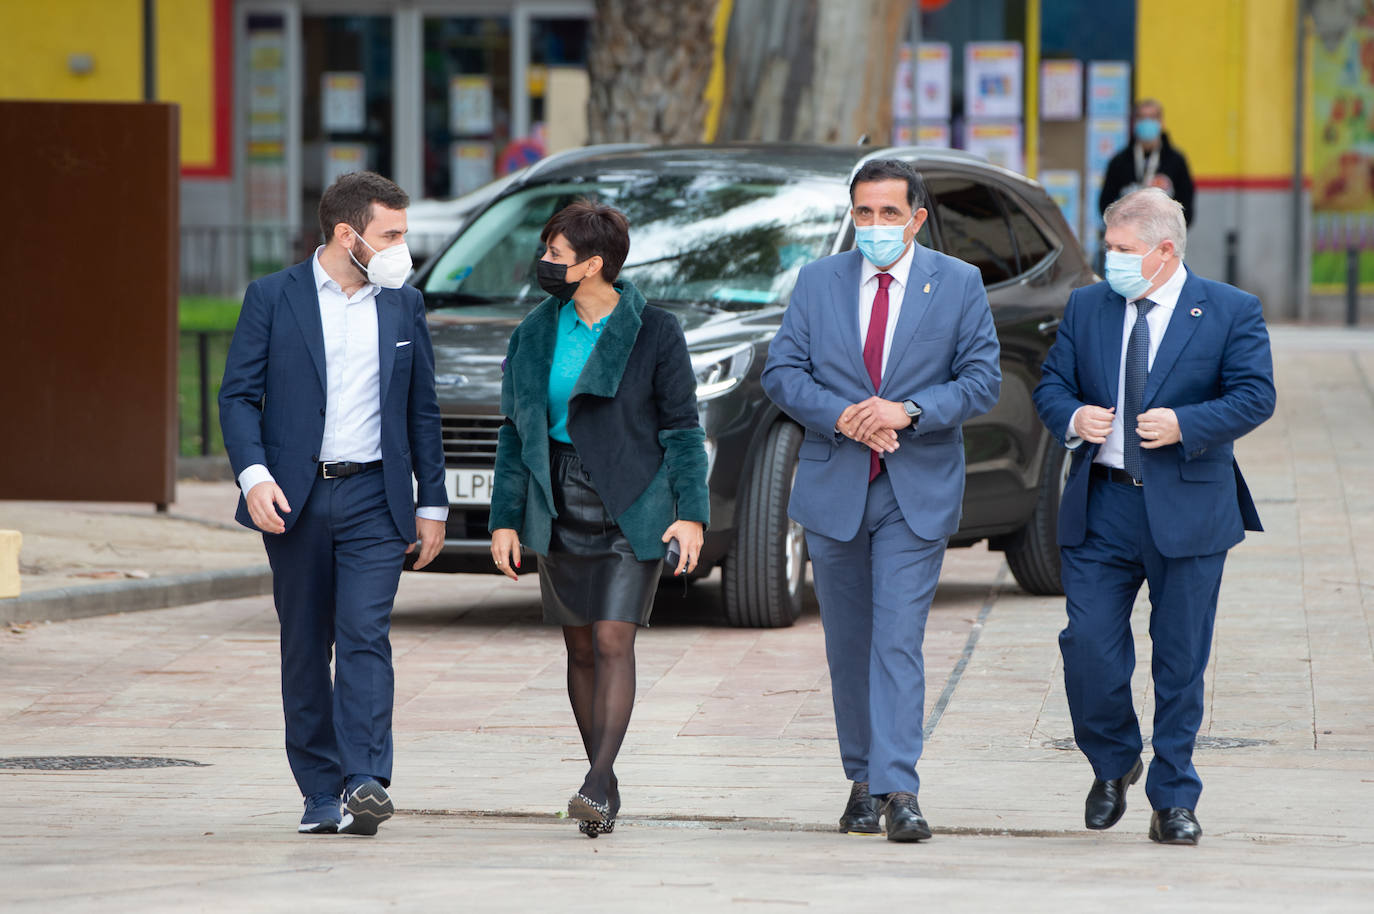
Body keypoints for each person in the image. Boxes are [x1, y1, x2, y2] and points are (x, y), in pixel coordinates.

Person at [761, 159, 1001, 843]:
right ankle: (861, 779)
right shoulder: (817, 282)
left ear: (917, 218)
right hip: (837, 484)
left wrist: (908, 410)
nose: (874, 226)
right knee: (849, 645)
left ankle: (900, 790)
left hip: (914, 490)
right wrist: (844, 416)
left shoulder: (956, 284)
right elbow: (783, 372)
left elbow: (982, 380)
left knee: (897, 639)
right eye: (862, 214)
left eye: (888, 214)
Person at [1032, 188, 1276, 846]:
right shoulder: (1089, 307)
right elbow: (1050, 384)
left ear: (1163, 252)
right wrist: (1072, 417)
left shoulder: (1229, 311)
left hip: (1190, 506)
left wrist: (1187, 423)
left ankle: (1173, 796)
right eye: (1107, 247)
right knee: (1087, 647)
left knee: (1179, 661)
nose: (1107, 262)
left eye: (1120, 251)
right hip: (1103, 502)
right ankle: (1112, 762)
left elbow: (1257, 395)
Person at [219, 171, 447, 836]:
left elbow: (421, 408)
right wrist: (254, 475)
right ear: (349, 236)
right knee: (304, 645)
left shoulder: (403, 305)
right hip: (295, 498)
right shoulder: (272, 297)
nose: (403, 248)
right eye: (391, 235)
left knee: (365, 636)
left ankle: (366, 780)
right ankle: (320, 791)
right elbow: (237, 397)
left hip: (376, 497)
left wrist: (431, 502)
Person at [488, 199, 709, 838]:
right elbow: (514, 431)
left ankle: (593, 780)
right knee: (578, 645)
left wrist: (690, 514)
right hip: (557, 499)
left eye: (556, 255)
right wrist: (507, 519)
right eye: (546, 252)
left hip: (632, 502)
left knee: (614, 636)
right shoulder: (534, 330)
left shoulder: (655, 330)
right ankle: (604, 785)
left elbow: (683, 431)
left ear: (593, 264)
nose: (545, 264)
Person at [1099, 98, 1196, 226]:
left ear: (1161, 123)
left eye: (1152, 117)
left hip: (1163, 236)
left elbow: (1186, 204)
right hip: (1128, 236)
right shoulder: (1119, 162)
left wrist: (1172, 232)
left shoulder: (1176, 161)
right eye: (1142, 117)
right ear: (1135, 123)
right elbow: (1105, 203)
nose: (1147, 122)